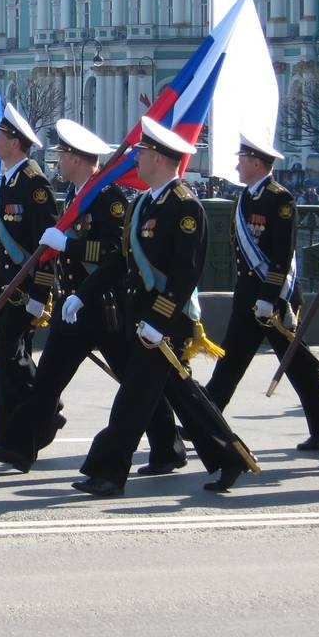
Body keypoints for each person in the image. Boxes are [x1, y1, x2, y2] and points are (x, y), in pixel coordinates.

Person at [0, 119, 183, 475]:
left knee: (132, 382)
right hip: (74, 306)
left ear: (79, 160)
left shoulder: (109, 199)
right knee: (47, 383)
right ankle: (20, 449)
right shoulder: (77, 196)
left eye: (64, 154)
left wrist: (69, 245)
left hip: (104, 308)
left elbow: (115, 253)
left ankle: (167, 446)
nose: (58, 160)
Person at [72, 118, 253, 497]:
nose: (136, 159)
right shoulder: (143, 204)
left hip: (164, 323)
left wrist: (159, 319)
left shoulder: (185, 208)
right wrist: (84, 293)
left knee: (134, 398)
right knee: (187, 399)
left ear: (157, 157)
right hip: (142, 320)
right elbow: (122, 263)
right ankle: (231, 458)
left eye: (141, 153)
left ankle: (108, 471)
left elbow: (185, 273)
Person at [205, 134, 319, 451]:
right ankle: (206, 420)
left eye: (242, 160)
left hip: (275, 299)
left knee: (297, 363)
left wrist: (269, 294)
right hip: (249, 295)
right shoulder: (245, 198)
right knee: (230, 359)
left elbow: (282, 252)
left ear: (257, 163)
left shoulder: (280, 199)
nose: (237, 164)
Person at [0, 104, 58, 444]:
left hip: (25, 291)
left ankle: (48, 406)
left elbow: (46, 248)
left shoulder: (33, 184)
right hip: (6, 288)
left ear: (14, 142)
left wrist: (40, 297)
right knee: (8, 360)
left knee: (8, 353)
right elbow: (2, 248)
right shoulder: (10, 181)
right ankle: (9, 435)